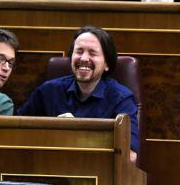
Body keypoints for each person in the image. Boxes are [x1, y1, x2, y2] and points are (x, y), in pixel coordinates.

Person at [18, 26, 139, 162]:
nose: (84, 58)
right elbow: (17, 133)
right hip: (49, 170)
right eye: (79, 51)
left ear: (106, 64)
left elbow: (130, 156)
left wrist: (78, 137)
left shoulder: (121, 99)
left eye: (92, 53)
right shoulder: (48, 91)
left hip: (97, 177)